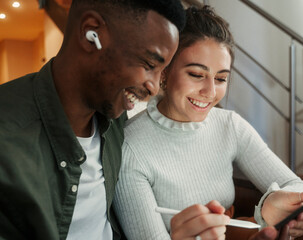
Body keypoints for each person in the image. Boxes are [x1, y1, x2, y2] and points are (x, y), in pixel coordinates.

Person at [114, 5, 303, 240]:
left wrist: (271, 203)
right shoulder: (132, 148)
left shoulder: (229, 125)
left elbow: (296, 185)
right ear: (164, 72)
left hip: (236, 233)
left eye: (221, 78)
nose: (209, 91)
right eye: (196, 75)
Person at [0, 0, 185, 239]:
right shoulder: (8, 139)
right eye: (149, 64)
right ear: (91, 32)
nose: (153, 87)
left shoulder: (114, 118)